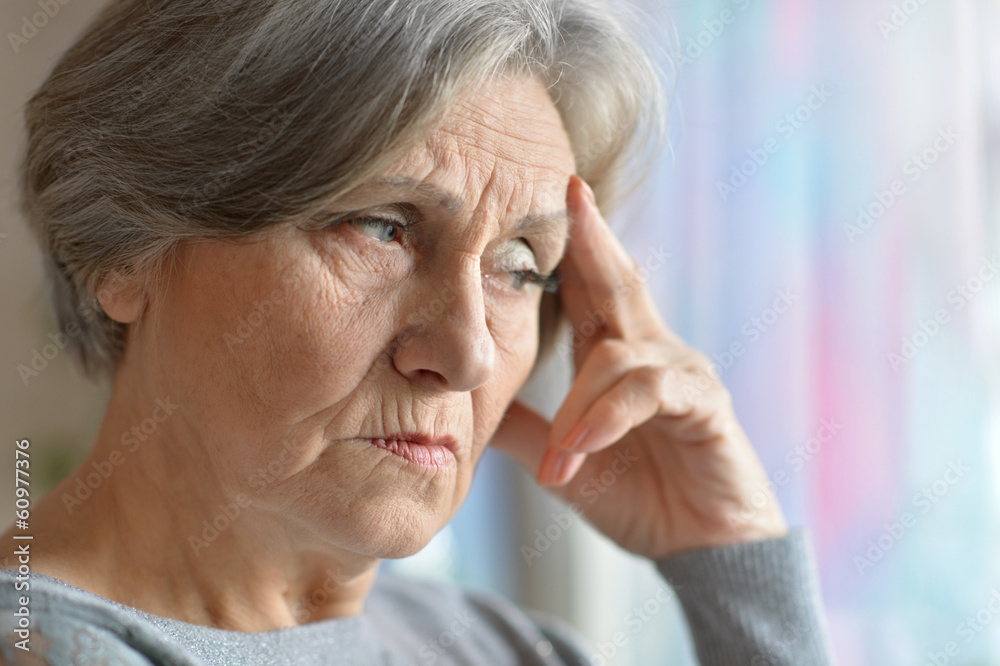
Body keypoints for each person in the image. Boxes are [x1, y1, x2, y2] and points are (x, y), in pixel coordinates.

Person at [0, 0, 837, 664]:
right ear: (126, 251)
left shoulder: (499, 645)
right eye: (382, 227)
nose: (469, 352)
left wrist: (732, 557)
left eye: (520, 266)